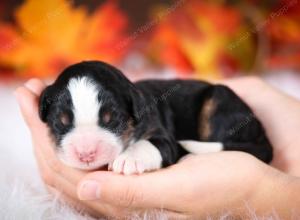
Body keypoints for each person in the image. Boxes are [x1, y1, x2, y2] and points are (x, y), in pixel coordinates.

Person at [15, 76, 300, 219]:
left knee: (214, 108)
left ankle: (239, 145)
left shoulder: (144, 115)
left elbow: (157, 141)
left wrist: (263, 193)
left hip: (216, 111)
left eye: (109, 122)